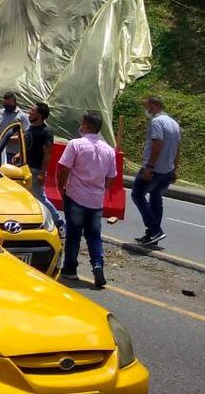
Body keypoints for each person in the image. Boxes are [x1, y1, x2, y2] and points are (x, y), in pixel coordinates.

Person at [57, 110, 116, 289]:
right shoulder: (109, 150)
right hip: (96, 200)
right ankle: (97, 265)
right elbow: (112, 176)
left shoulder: (75, 144)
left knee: (74, 234)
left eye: (82, 123)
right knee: (94, 235)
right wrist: (101, 189)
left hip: (76, 196)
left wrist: (62, 187)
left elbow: (63, 168)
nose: (80, 126)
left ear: (86, 125)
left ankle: (70, 269)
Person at [132, 95, 181, 246]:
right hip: (167, 170)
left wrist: (149, 167)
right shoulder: (173, 123)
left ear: (153, 106)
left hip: (154, 170)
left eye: (147, 107)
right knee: (155, 198)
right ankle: (152, 236)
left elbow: (157, 144)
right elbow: (177, 149)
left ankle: (154, 230)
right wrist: (175, 169)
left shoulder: (157, 122)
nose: (146, 110)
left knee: (137, 195)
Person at [20, 102, 64, 232]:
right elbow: (28, 146)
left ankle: (58, 220)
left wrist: (42, 173)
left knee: (39, 197)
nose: (29, 112)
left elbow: (48, 154)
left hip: (36, 169)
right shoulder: (30, 128)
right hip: (25, 168)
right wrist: (19, 155)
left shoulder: (46, 132)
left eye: (32, 110)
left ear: (39, 115)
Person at [0, 92, 29, 165]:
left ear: (15, 103)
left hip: (12, 152)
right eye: (5, 104)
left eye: (9, 105)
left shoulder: (22, 116)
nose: (7, 107)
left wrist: (9, 138)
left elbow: (26, 134)